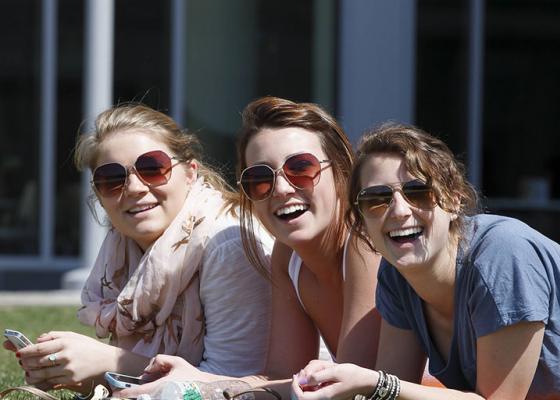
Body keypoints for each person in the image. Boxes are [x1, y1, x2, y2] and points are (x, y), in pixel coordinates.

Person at [291, 123, 560, 400]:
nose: (398, 211)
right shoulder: (396, 275)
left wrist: (373, 383)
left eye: (418, 192)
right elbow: (394, 385)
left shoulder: (504, 254)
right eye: (376, 200)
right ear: (361, 223)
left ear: (453, 201)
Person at [118, 97, 381, 399]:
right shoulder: (288, 256)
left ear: (342, 172)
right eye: (260, 179)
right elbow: (281, 377)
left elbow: (345, 389)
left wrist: (204, 389)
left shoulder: (364, 242)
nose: (281, 189)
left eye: (301, 168)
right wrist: (199, 381)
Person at [3, 104, 273, 393]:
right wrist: (73, 371)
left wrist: (108, 360)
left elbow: (234, 382)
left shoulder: (227, 244)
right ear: (99, 194)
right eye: (112, 179)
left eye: (153, 168)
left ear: (190, 172)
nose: (133, 187)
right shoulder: (124, 248)